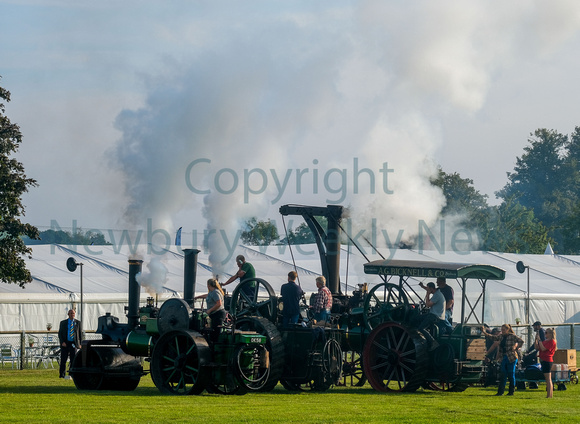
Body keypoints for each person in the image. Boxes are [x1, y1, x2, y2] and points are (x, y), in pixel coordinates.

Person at [482, 324, 524, 396]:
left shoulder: (512, 336)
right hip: (504, 357)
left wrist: (515, 348)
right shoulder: (501, 337)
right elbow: (492, 337)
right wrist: (484, 332)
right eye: (502, 330)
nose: (502, 331)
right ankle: (500, 391)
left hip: (511, 357)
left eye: (504, 330)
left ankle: (511, 391)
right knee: (503, 373)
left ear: (508, 330)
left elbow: (521, 341)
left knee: (511, 374)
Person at [58, 309, 81, 379]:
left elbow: (80, 334)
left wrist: (80, 344)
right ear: (68, 314)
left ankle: (71, 374)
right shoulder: (63, 323)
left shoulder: (78, 323)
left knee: (73, 360)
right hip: (65, 343)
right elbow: (60, 334)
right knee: (63, 360)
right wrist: (62, 342)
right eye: (71, 313)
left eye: (73, 313)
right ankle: (62, 374)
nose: (72, 315)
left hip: (73, 343)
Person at [536, 327, 557, 398]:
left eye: (546, 333)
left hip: (547, 360)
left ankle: (549, 395)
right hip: (543, 360)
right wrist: (536, 340)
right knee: (547, 379)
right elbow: (537, 347)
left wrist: (540, 341)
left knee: (548, 379)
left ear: (551, 334)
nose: (545, 334)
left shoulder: (552, 341)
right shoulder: (545, 341)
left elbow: (543, 348)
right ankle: (549, 395)